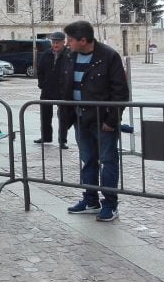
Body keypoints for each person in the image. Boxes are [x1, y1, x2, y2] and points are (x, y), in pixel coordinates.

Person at [61, 21, 129, 222]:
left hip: (102, 121)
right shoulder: (70, 56)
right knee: (88, 160)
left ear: (83, 40)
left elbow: (121, 92)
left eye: (70, 40)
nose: (67, 43)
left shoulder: (108, 56)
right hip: (79, 118)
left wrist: (112, 119)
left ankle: (110, 204)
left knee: (107, 161)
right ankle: (90, 200)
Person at [35, 31, 71, 149]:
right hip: (47, 89)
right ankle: (46, 136)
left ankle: (62, 140)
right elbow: (40, 70)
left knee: (63, 116)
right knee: (45, 115)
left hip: (62, 90)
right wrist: (42, 84)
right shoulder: (46, 54)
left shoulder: (69, 54)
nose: (55, 45)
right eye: (53, 42)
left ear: (63, 42)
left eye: (57, 42)